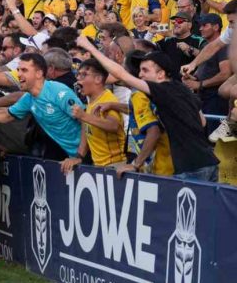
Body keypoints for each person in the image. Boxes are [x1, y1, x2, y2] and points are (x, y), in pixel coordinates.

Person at [76, 36, 220, 181]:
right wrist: (115, 105)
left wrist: (90, 47)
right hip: (209, 162)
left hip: (190, 169)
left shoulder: (161, 90)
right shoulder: (181, 88)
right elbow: (202, 121)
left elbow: (122, 75)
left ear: (160, 74)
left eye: (145, 70)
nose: (140, 75)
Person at [0, 53, 84, 160]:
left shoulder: (58, 92)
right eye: (18, 70)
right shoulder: (28, 98)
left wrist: (79, 156)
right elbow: (5, 115)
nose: (18, 74)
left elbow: (86, 122)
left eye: (24, 70)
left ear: (39, 73)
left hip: (86, 156)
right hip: (63, 156)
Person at [61, 58, 126, 172]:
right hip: (99, 167)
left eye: (84, 75)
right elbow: (85, 129)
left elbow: (113, 125)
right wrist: (79, 157)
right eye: (78, 75)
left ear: (98, 79)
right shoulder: (91, 102)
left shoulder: (108, 99)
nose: (78, 79)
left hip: (116, 166)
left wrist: (84, 116)